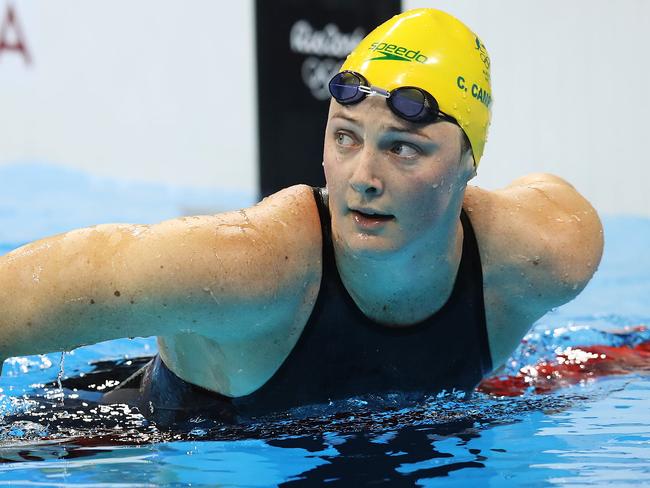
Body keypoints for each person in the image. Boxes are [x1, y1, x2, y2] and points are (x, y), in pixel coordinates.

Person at [0, 9, 602, 422]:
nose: (363, 177)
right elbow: (26, 296)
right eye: (346, 138)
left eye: (403, 148)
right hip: (155, 439)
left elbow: (549, 196)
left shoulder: (545, 255)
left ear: (471, 161)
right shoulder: (253, 267)